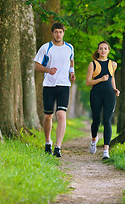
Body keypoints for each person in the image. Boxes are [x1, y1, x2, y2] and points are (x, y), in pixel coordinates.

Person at [34, 22, 76, 157]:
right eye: (56, 32)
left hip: (64, 85)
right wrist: (48, 70)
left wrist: (72, 72)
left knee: (61, 114)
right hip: (49, 85)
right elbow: (37, 66)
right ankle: (48, 142)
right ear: (52, 33)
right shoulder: (46, 48)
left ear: (64, 33)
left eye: (61, 32)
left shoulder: (69, 47)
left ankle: (58, 147)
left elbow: (71, 61)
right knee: (48, 116)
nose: (58, 34)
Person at [85, 41, 120, 159]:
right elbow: (88, 82)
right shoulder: (93, 64)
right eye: (101, 48)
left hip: (109, 94)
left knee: (107, 120)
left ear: (108, 50)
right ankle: (94, 140)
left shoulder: (113, 64)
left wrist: (115, 89)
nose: (103, 50)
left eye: (105, 48)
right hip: (96, 93)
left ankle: (106, 150)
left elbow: (112, 78)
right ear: (98, 51)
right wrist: (100, 79)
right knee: (96, 120)